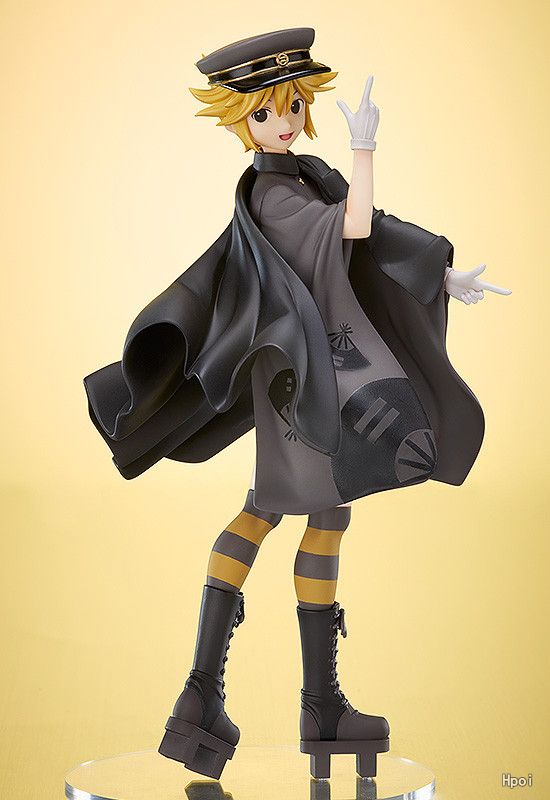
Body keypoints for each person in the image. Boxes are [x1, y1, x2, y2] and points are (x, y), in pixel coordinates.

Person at [83, 27, 511, 781]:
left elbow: (370, 238)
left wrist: (439, 275)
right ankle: (219, 698)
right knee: (273, 511)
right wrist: (367, 147)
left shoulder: (303, 174)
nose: (282, 122)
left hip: (307, 370)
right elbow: (353, 225)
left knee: (312, 513)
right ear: (238, 121)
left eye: (291, 106)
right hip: (298, 378)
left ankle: (292, 706)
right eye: (264, 113)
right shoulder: (275, 193)